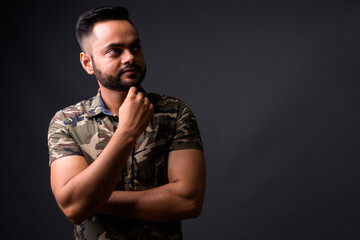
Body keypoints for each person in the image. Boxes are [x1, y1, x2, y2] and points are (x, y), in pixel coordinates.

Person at [47, 6, 206, 240]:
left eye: (135, 48)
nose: (130, 57)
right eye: (114, 50)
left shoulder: (175, 113)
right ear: (87, 63)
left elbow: (188, 201)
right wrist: (126, 133)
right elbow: (74, 207)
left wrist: (94, 200)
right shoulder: (66, 122)